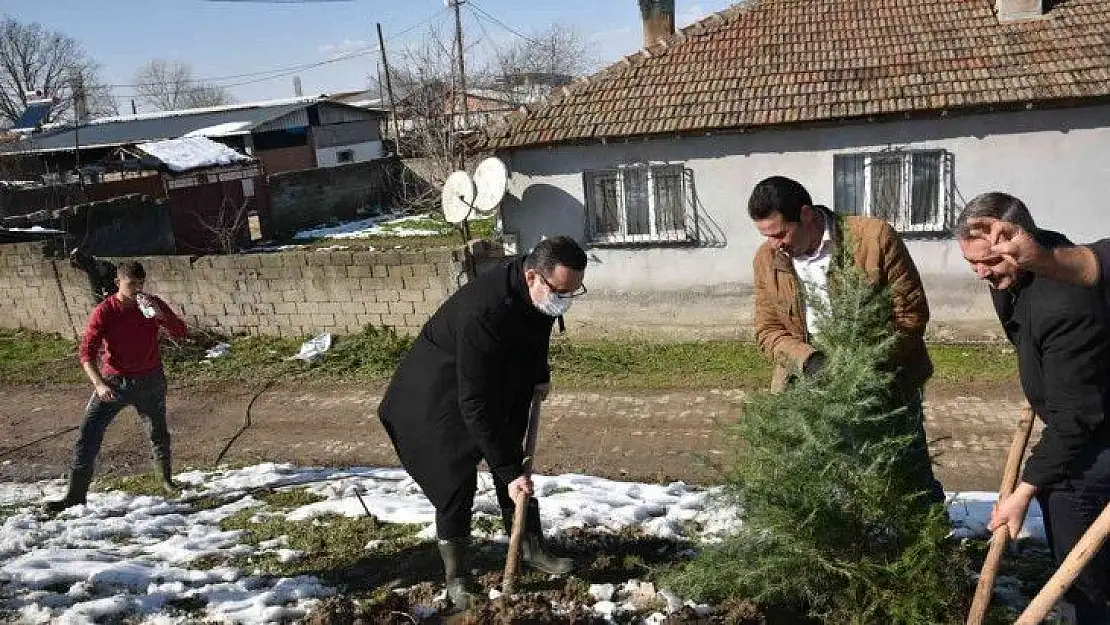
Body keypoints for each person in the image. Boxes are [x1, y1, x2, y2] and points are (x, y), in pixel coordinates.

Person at [378, 236, 586, 609]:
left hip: (491, 381)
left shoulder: (538, 296)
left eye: (573, 291)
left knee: (512, 452)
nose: (564, 300)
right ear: (531, 276)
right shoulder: (484, 312)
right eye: (559, 291)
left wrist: (539, 371)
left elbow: (537, 332)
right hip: (434, 397)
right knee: (456, 479)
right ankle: (458, 578)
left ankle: (528, 545)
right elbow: (474, 403)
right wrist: (507, 473)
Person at [956, 192, 1110, 624]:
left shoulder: (1064, 303)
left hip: (1094, 440)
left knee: (1078, 561)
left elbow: (1075, 419)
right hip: (1077, 415)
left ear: (1020, 240)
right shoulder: (1014, 275)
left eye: (991, 262)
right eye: (973, 264)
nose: (983, 273)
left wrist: (1024, 491)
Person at [748, 175, 943, 501]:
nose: (774, 244)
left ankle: (930, 541)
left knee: (905, 470)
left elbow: (909, 315)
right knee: (816, 477)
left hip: (885, 380)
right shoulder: (767, 260)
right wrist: (809, 361)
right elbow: (767, 330)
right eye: (766, 236)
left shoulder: (872, 239)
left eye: (780, 233)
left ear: (807, 215)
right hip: (808, 381)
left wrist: (861, 367)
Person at [43, 261, 188, 514]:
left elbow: (180, 332)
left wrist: (160, 315)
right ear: (117, 283)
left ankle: (166, 482)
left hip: (150, 380)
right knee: (88, 434)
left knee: (158, 433)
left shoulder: (151, 305)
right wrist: (99, 384)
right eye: (131, 284)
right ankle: (75, 496)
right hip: (114, 382)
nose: (137, 290)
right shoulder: (105, 311)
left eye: (141, 284)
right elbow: (86, 353)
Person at [964, 216, 1107, 288]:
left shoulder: (1061, 313)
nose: (982, 274)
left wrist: (1045, 259)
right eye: (971, 261)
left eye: (992, 260)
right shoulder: (1005, 278)